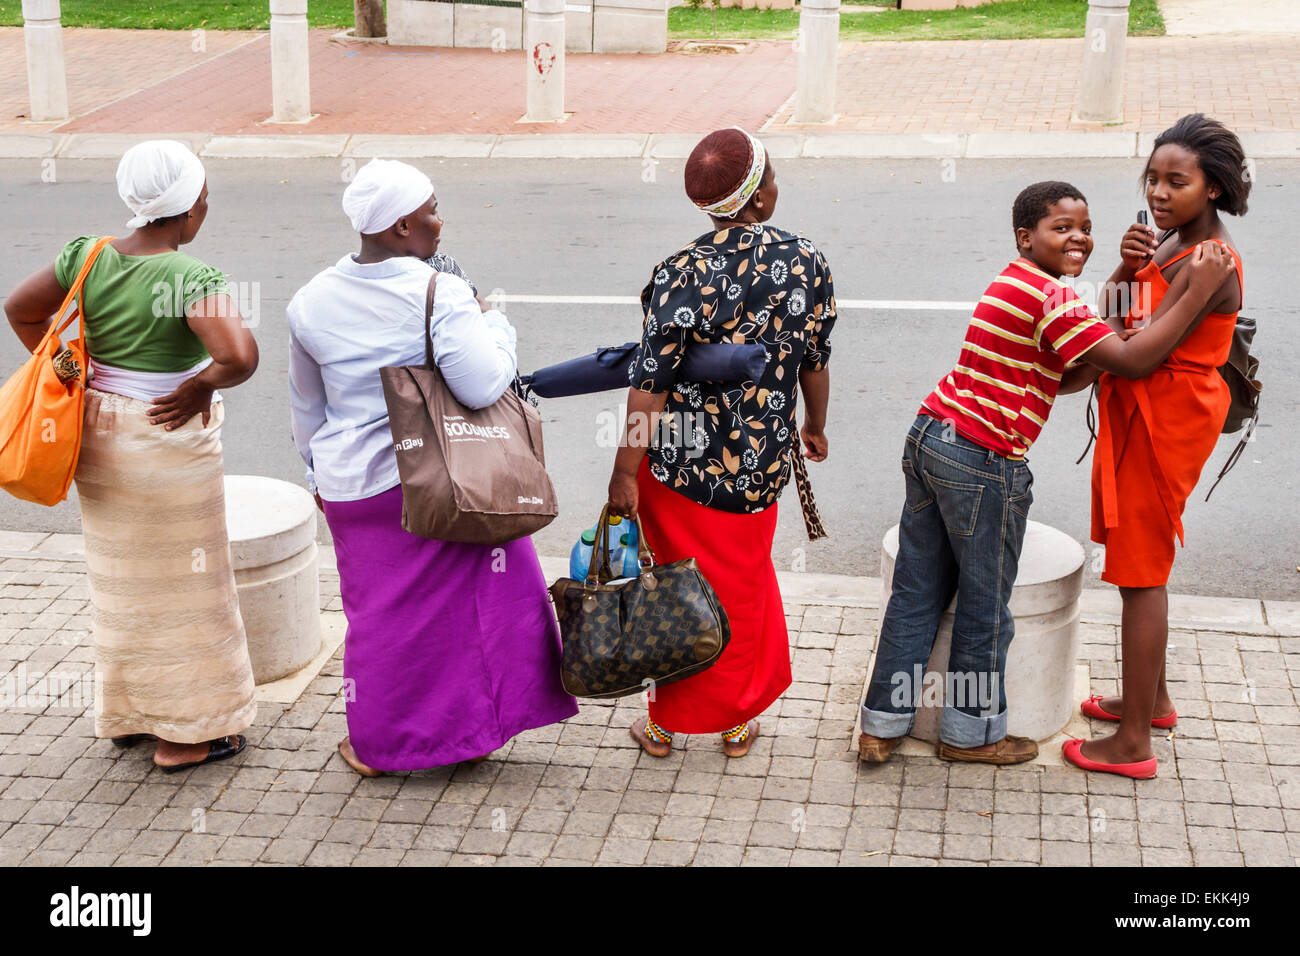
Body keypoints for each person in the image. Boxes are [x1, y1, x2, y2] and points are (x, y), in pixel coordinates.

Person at [857, 180, 1236, 767]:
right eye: (1062, 229)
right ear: (1025, 236)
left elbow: (1068, 374)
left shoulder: (1016, 282)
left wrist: (1121, 289)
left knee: (916, 590)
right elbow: (1131, 362)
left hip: (932, 436)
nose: (1078, 238)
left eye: (1085, 228)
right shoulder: (1055, 300)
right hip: (983, 463)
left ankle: (881, 727)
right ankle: (972, 734)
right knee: (985, 607)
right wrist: (1196, 293)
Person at [287, 158, 577, 777]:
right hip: (433, 480)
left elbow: (307, 406)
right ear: (399, 227)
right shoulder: (436, 291)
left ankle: (387, 743)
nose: (440, 223)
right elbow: (480, 386)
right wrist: (493, 320)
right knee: (491, 599)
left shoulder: (309, 300)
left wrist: (317, 477)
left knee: (382, 618)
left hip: (350, 487)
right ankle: (465, 729)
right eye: (431, 211)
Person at [4, 140, 259, 772]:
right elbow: (240, 357)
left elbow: (19, 308)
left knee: (123, 582)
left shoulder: (86, 257)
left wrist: (72, 369)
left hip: (97, 437)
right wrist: (197, 384)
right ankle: (188, 734)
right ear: (189, 210)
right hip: (162, 439)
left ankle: (131, 715)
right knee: (189, 589)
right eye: (204, 197)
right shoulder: (185, 278)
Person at [608, 127, 836, 759]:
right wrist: (814, 425)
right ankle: (736, 722)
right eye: (773, 178)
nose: (777, 186)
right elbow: (815, 358)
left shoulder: (679, 271)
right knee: (743, 584)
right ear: (759, 200)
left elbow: (647, 384)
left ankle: (662, 725)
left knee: (675, 589)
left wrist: (625, 472)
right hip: (762, 462)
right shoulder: (806, 261)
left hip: (680, 462)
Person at [1066, 115, 1251, 779]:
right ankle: (1154, 700)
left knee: (1143, 575)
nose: (1161, 191)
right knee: (1137, 562)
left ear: (1216, 190)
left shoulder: (1211, 264)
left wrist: (1192, 287)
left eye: (1179, 181)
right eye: (1154, 177)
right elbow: (1111, 308)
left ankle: (1134, 744)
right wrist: (1126, 263)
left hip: (1166, 419)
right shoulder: (1173, 242)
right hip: (1149, 413)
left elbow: (1138, 357)